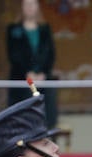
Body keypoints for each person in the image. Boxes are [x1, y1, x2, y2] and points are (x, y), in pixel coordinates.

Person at [7, 0, 57, 128]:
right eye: (26, 4)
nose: (29, 7)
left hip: (42, 79)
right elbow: (13, 55)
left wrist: (43, 73)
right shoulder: (13, 29)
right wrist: (27, 74)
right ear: (22, 7)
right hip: (22, 79)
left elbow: (50, 54)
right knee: (24, 115)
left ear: (37, 7)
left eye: (32, 4)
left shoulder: (45, 29)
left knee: (46, 107)